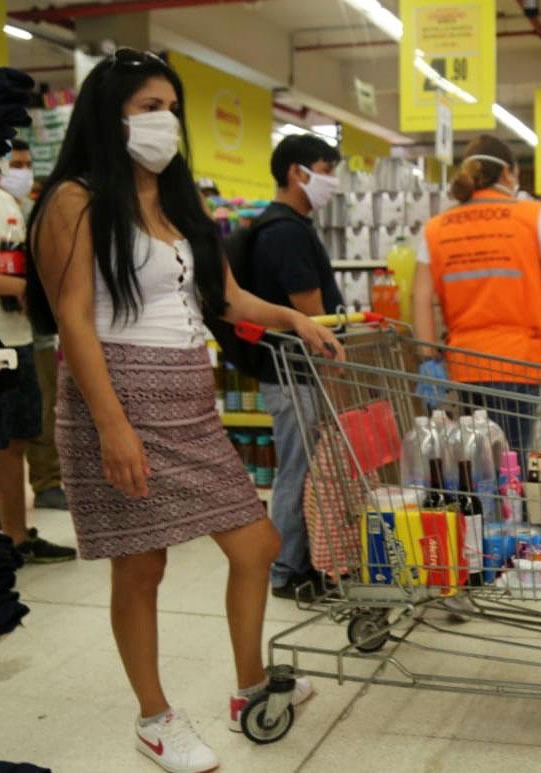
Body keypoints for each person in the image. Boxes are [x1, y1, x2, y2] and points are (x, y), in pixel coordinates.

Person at [26, 49, 342, 773]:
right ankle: (154, 716)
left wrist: (296, 322)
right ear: (111, 116)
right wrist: (112, 426)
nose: (165, 120)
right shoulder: (73, 200)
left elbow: (225, 298)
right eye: (149, 107)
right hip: (118, 394)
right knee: (142, 568)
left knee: (256, 544)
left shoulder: (177, 203)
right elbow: (73, 320)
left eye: (171, 106)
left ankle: (249, 687)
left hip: (188, 396)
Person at [413, 134, 541, 459]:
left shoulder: (436, 228)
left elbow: (421, 296)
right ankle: (511, 511)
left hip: (464, 364)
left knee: (475, 462)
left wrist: (428, 358)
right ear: (507, 173)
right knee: (511, 462)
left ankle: (481, 512)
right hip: (519, 360)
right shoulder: (531, 216)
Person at [244, 134, 345, 602]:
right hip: (293, 371)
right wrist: (334, 357)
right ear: (296, 173)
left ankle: (300, 559)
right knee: (297, 469)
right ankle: (286, 569)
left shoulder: (289, 225)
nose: (332, 179)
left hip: (293, 371)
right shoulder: (285, 231)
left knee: (301, 465)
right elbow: (312, 313)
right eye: (325, 168)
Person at [0, 132, 74, 561]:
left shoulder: (3, 200)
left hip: (18, 334)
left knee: (15, 439)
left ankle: (16, 536)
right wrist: (22, 286)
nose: (14, 167)